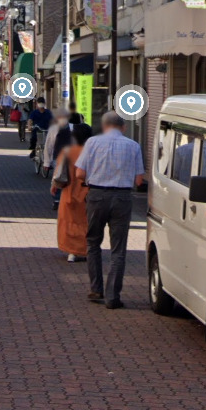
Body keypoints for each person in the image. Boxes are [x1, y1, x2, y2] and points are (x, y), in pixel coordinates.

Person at [74, 112, 146, 309]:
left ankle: (96, 288)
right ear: (123, 127)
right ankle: (113, 296)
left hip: (96, 195)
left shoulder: (92, 143)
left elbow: (80, 173)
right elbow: (139, 180)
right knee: (118, 249)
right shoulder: (133, 146)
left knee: (93, 242)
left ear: (104, 126)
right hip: (122, 197)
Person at [52, 131, 90, 263]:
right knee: (86, 223)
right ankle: (85, 249)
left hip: (68, 191)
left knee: (68, 222)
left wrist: (54, 186)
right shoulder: (91, 152)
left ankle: (71, 252)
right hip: (87, 193)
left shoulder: (67, 152)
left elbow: (59, 173)